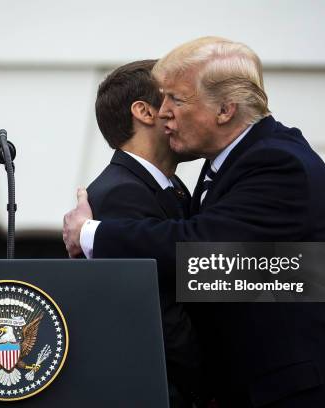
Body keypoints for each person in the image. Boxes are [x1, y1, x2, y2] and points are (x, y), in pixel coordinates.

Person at [63, 37, 325, 407]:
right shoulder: (226, 165)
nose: (164, 113)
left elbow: (203, 247)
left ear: (224, 110)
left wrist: (89, 233)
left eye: (176, 99)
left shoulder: (275, 162)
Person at [86, 59, 202, 407]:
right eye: (179, 99)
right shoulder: (121, 193)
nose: (192, 110)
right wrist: (213, 385)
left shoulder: (169, 186)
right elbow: (158, 313)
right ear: (146, 112)